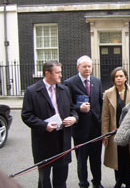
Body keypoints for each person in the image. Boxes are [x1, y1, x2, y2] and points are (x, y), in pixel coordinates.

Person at [21, 60, 78, 188]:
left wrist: (74, 118)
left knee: (61, 179)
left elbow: (72, 109)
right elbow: (26, 115)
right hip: (43, 141)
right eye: (57, 73)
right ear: (47, 73)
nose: (60, 75)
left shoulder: (65, 89)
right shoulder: (32, 91)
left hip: (62, 141)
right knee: (44, 180)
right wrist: (43, 125)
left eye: (60, 72)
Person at [64, 55, 104, 188]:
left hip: (95, 128)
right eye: (84, 66)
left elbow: (100, 103)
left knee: (96, 159)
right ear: (78, 67)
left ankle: (97, 183)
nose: (87, 69)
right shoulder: (69, 83)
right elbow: (66, 105)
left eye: (89, 66)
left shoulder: (96, 81)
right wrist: (78, 108)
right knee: (82, 160)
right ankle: (83, 184)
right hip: (80, 129)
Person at [101, 67, 130, 188]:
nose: (118, 78)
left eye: (121, 76)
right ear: (113, 79)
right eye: (116, 76)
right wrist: (105, 134)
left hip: (129, 132)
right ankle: (118, 181)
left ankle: (128, 182)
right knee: (117, 157)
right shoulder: (108, 93)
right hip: (115, 132)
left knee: (129, 157)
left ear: (126, 78)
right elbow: (105, 115)